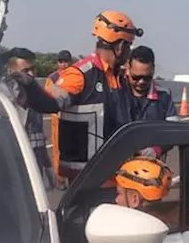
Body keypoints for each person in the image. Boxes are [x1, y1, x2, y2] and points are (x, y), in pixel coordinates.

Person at [10, 11, 143, 186]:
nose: (128, 53)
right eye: (128, 47)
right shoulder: (80, 75)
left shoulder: (120, 78)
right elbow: (49, 103)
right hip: (86, 181)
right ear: (119, 47)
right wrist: (30, 86)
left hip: (115, 176)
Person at [0, 48, 59, 189]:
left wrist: (48, 168)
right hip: (12, 169)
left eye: (33, 69)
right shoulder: (3, 99)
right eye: (26, 71)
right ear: (10, 72)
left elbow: (39, 140)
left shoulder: (36, 98)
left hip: (35, 168)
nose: (31, 75)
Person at [119, 45, 176, 161]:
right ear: (127, 68)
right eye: (136, 77)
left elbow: (174, 131)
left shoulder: (164, 96)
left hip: (153, 168)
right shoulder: (116, 92)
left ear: (153, 70)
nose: (141, 82)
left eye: (147, 78)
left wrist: (156, 150)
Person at [113, 156, 177, 225]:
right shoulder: (165, 221)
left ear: (134, 199)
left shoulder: (131, 229)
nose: (116, 199)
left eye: (119, 193)